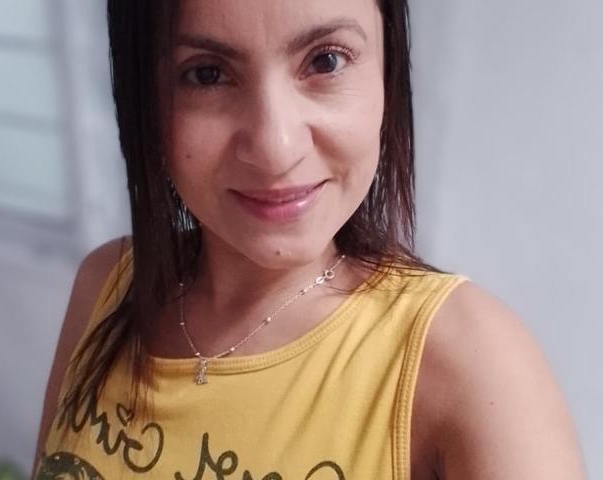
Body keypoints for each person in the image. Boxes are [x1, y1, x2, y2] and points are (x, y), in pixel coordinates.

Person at [32, 0, 586, 478]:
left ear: (388, 70)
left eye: (325, 61)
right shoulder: (107, 284)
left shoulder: (473, 366)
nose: (276, 148)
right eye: (206, 74)